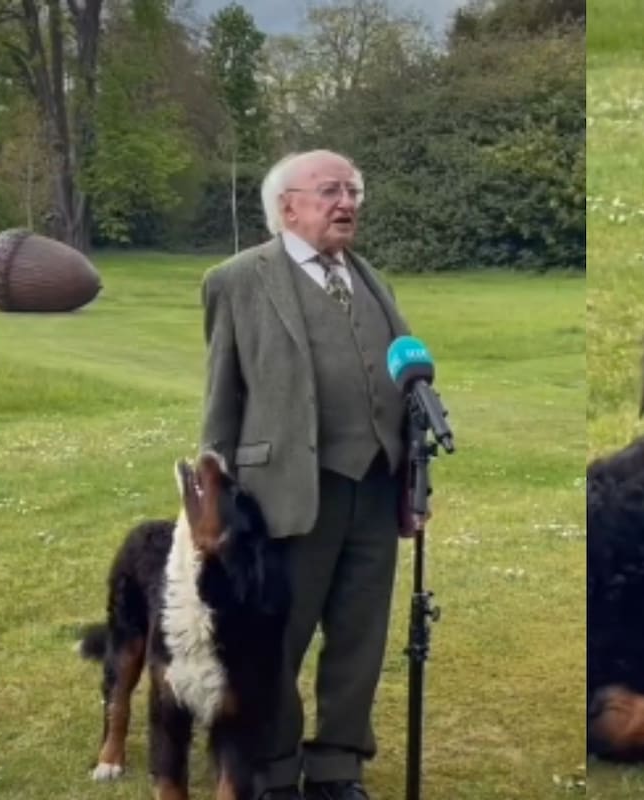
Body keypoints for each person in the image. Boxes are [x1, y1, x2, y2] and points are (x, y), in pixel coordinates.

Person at [201, 149, 414, 800]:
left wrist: (412, 485)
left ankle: (337, 766)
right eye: (330, 191)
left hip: (374, 487)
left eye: (353, 191)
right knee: (279, 637)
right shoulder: (237, 280)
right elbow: (221, 399)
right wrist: (215, 501)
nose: (346, 202)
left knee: (360, 635)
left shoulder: (369, 276)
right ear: (287, 205)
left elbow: (404, 380)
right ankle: (272, 766)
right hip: (284, 493)